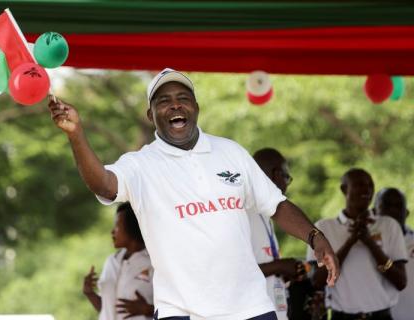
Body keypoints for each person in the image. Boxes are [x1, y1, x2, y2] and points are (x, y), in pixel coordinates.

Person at [49, 68, 339, 320]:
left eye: (183, 98)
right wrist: (76, 135)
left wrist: (316, 237)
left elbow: (276, 205)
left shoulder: (231, 152)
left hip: (249, 307)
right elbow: (103, 184)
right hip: (182, 312)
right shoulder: (141, 164)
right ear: (151, 115)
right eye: (164, 101)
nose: (175, 105)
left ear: (196, 107)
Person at [307, 169, 407, 320]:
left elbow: (400, 282)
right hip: (342, 316)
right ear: (344, 189)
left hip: (380, 316)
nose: (366, 189)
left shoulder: (389, 225)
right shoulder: (323, 228)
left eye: (370, 185)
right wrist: (351, 241)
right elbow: (317, 281)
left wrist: (369, 242)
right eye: (359, 184)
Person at [250, 148, 307, 320]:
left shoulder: (265, 214)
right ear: (275, 175)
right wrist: (279, 266)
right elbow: (232, 273)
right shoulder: (243, 213)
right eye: (286, 177)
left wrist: (285, 271)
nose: (287, 185)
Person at [83, 202, 154, 320]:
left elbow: (174, 307)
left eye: (117, 226)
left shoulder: (153, 262)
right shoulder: (111, 261)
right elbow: (106, 308)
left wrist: (148, 310)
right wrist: (89, 292)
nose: (112, 231)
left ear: (133, 227)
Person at [375, 188, 414, 320]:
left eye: (398, 206)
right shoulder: (362, 243)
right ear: (374, 212)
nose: (392, 211)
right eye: (386, 205)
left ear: (407, 212)